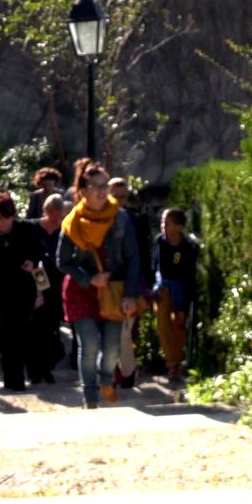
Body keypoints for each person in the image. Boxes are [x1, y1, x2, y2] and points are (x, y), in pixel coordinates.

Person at [57, 159, 141, 409]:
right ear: (83, 191)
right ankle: (90, 396)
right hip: (82, 291)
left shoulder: (121, 218)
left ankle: (107, 380)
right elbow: (63, 261)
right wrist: (88, 278)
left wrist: (130, 293)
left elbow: (133, 258)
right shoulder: (72, 221)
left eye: (105, 185)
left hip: (114, 290)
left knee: (113, 348)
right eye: (95, 186)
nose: (102, 191)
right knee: (90, 343)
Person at [0, 192, 44, 391]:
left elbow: (40, 251)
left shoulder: (27, 229)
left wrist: (33, 262)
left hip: (23, 291)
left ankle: (27, 375)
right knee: (5, 338)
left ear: (12, 216)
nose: (2, 223)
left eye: (6, 218)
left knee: (23, 334)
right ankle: (12, 380)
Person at [109, 177, 151, 388]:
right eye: (115, 195)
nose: (119, 200)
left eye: (123, 196)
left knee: (125, 332)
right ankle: (118, 374)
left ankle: (127, 372)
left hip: (131, 284)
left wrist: (141, 286)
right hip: (107, 285)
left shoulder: (135, 221)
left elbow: (142, 255)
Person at [152, 207, 198, 383]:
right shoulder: (160, 241)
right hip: (163, 287)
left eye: (167, 222)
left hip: (181, 289)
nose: (163, 225)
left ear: (179, 227)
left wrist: (183, 304)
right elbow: (157, 265)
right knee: (163, 325)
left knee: (178, 326)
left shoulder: (187, 247)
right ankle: (172, 363)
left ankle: (178, 362)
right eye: (163, 221)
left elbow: (188, 275)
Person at [28, 193, 68, 384]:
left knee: (52, 328)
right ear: (47, 211)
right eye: (54, 213)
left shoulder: (64, 229)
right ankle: (35, 370)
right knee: (35, 328)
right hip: (37, 281)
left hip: (58, 284)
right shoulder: (33, 227)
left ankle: (47, 368)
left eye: (60, 214)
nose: (57, 217)